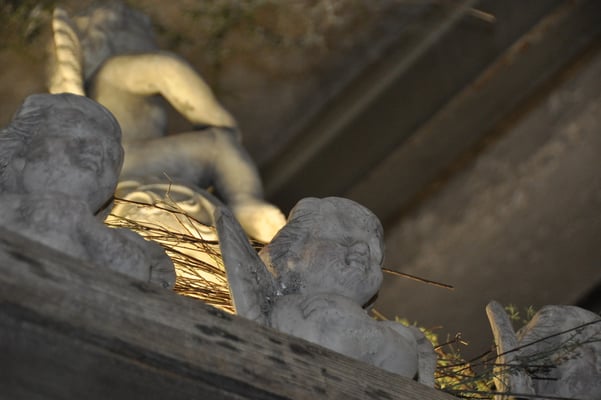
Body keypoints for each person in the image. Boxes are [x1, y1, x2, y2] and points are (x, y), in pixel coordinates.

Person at [49, 3, 285, 243]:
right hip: (128, 162)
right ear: (109, 36)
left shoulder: (86, 103)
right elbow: (167, 69)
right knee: (219, 143)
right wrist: (217, 120)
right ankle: (245, 201)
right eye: (139, 32)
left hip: (116, 179)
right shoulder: (111, 71)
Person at [206, 194, 436, 385]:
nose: (363, 251)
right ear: (292, 256)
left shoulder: (399, 335)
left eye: (375, 255)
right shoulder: (286, 310)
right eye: (343, 240)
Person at [0, 93, 175, 288]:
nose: (96, 151)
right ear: (18, 155)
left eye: (111, 155)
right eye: (74, 136)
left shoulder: (145, 254)